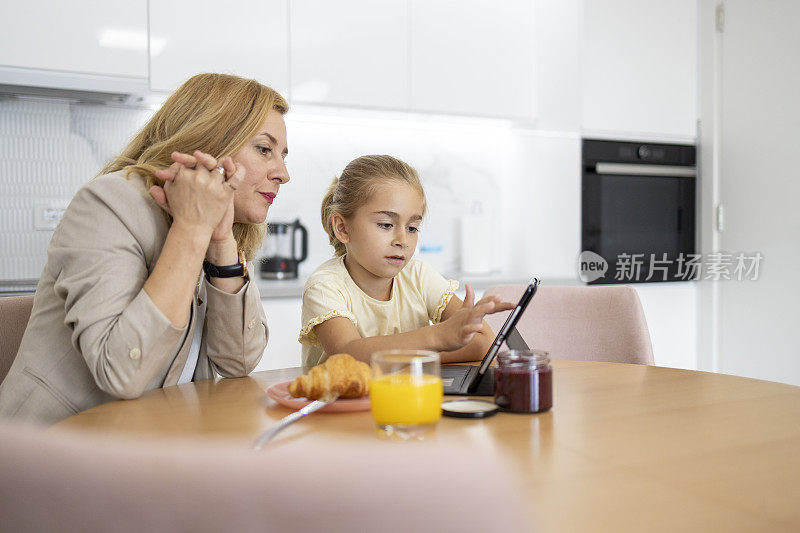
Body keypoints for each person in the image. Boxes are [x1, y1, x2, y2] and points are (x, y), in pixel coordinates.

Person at [0, 73, 290, 425]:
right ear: (212, 142)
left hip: (148, 447)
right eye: (265, 149)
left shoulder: (220, 229)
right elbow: (122, 372)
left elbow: (239, 360)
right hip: (47, 454)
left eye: (283, 155)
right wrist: (192, 230)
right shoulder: (109, 203)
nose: (283, 173)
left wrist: (221, 243)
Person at [300, 155, 513, 367]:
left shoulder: (418, 276)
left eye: (412, 228)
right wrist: (437, 338)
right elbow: (347, 356)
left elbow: (482, 343)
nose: (402, 240)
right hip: (338, 400)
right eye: (385, 224)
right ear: (343, 228)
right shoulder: (325, 286)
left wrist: (411, 358)